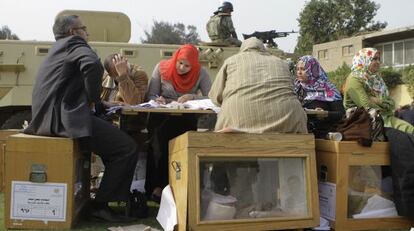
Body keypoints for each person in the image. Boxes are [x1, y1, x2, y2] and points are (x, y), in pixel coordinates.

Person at [24, 15, 138, 222]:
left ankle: (98, 198)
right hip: (63, 121)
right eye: (84, 28)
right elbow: (93, 64)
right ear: (73, 32)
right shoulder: (75, 44)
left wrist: (101, 105)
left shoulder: (58, 49)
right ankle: (101, 205)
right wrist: (94, 100)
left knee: (113, 144)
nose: (87, 33)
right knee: (126, 148)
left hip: (48, 119)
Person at [145, 44, 211, 202]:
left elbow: (211, 97)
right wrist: (157, 99)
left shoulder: (201, 73)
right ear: (175, 59)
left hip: (185, 118)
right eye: (180, 63)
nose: (182, 68)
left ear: (194, 65)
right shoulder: (161, 68)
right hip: (161, 116)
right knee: (159, 148)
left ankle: (181, 188)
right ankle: (157, 188)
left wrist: (192, 97)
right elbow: (150, 95)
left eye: (187, 65)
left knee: (182, 150)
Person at [209, 37, 307, 133]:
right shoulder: (282, 63)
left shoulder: (231, 61)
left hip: (236, 124)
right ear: (263, 49)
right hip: (289, 121)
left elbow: (216, 97)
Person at [343, 48, 414, 133]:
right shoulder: (354, 79)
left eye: (378, 59)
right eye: (374, 59)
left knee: (410, 130)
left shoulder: (376, 79)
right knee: (408, 132)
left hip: (383, 118)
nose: (378, 62)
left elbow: (391, 103)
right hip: (365, 121)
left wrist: (378, 101)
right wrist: (384, 105)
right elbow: (366, 106)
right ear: (363, 59)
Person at [295, 55, 345, 138]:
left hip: (323, 132)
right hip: (299, 130)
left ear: (314, 70)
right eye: (298, 69)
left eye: (303, 69)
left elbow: (341, 114)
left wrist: (324, 114)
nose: (299, 72)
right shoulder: (296, 87)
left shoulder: (329, 89)